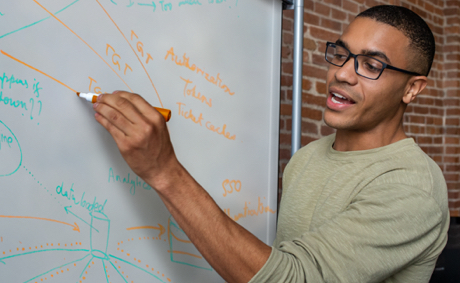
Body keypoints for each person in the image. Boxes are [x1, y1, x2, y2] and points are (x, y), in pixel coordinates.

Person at [92, 5, 449, 283]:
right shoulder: (308, 157)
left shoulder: (410, 186)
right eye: (340, 54)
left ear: (412, 89)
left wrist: (164, 172)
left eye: (371, 65)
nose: (342, 73)